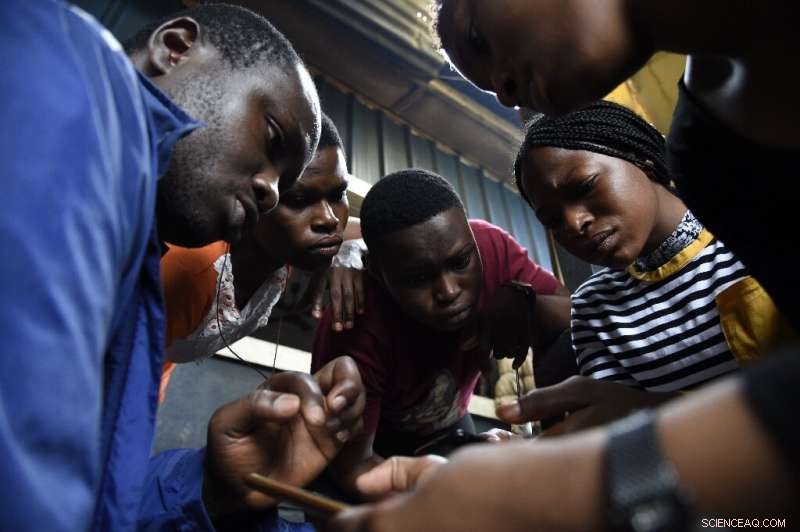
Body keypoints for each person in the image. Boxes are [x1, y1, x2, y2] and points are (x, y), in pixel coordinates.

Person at [324, 2, 800, 530]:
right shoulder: (710, 154)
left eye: (478, 37)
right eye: (550, 220)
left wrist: (625, 437)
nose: (504, 93)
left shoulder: (727, 204)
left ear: (642, 160)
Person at [0, 2, 365, 530]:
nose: (269, 190)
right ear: (175, 49)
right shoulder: (59, 84)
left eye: (285, 182)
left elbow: (86, 484)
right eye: (271, 140)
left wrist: (208, 487)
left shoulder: (138, 245)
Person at [502, 100, 794, 432]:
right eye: (552, 220)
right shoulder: (594, 308)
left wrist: (649, 408)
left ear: (642, 160)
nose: (574, 223)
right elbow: (624, 435)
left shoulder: (758, 231)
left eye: (584, 187)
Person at [312, 169, 571, 495]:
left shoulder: (492, 249)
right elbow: (354, 469)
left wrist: (526, 303)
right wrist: (446, 497)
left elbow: (573, 312)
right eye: (418, 278)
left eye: (461, 262)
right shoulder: (353, 325)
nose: (448, 291)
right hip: (374, 445)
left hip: (449, 422)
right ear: (376, 273)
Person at [159, 114, 356, 401]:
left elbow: (379, 230)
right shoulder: (188, 271)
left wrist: (352, 252)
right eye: (297, 200)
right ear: (254, 196)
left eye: (338, 194)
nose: (330, 220)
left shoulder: (286, 244)